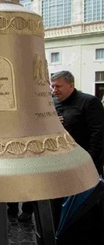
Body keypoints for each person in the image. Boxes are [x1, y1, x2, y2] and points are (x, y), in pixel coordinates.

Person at [50, 70, 104, 245]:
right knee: (59, 208)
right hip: (60, 166)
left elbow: (98, 135)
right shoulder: (53, 104)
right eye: (52, 86)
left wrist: (88, 163)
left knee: (83, 213)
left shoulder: (89, 102)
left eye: (58, 86)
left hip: (84, 168)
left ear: (71, 85)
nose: (54, 89)